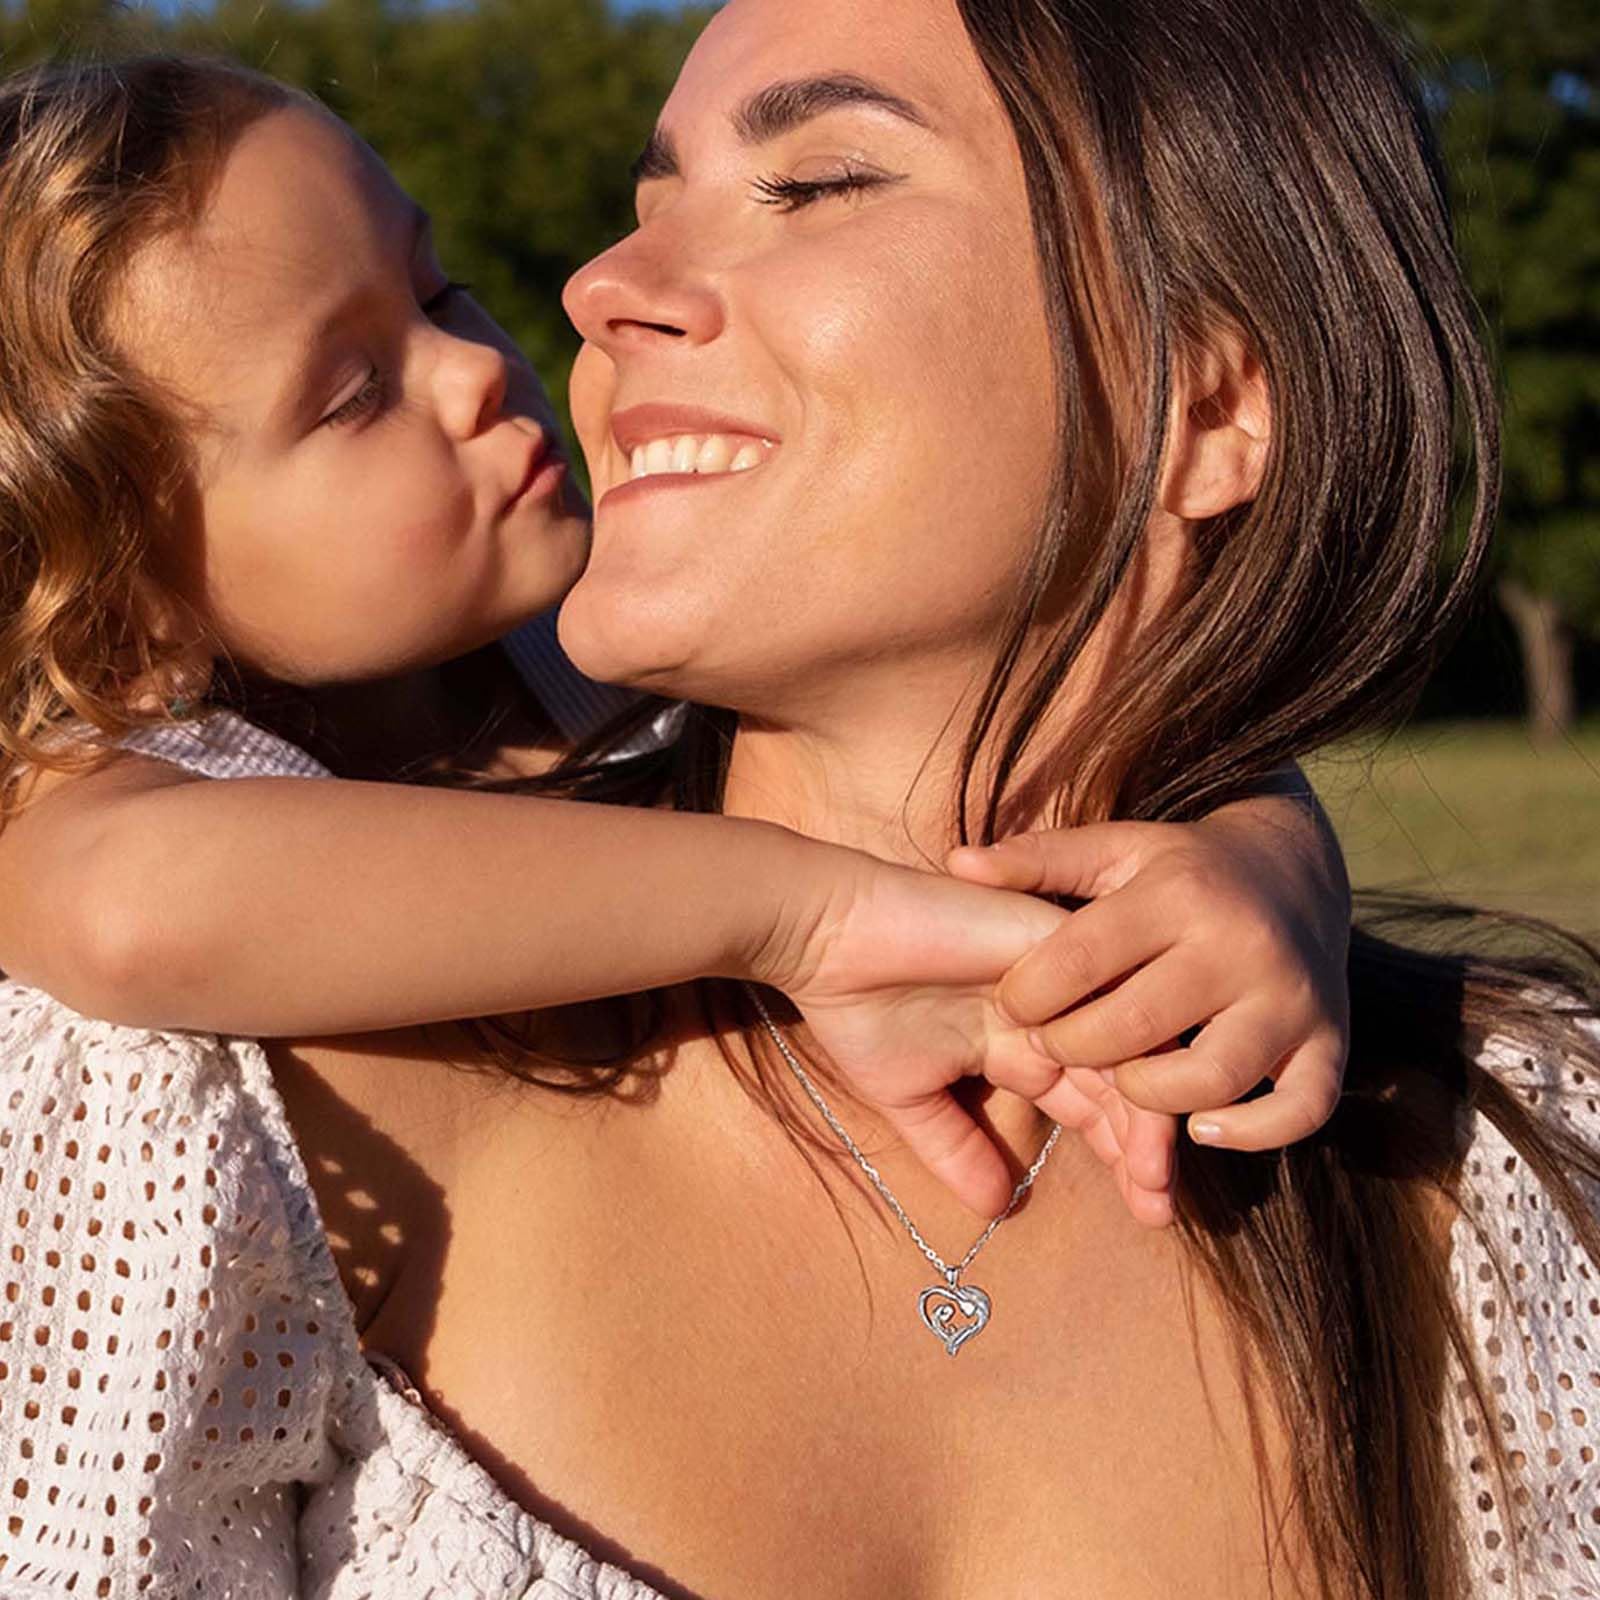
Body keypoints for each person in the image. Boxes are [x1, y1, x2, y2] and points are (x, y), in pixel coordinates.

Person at [0, 41, 1361, 1600]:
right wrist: (803, 915)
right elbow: (130, 907)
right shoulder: (127, 772)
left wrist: (1269, 862)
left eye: (437, 293)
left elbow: (1141, 720)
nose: (484, 360)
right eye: (355, 389)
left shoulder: (582, 662)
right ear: (124, 610)